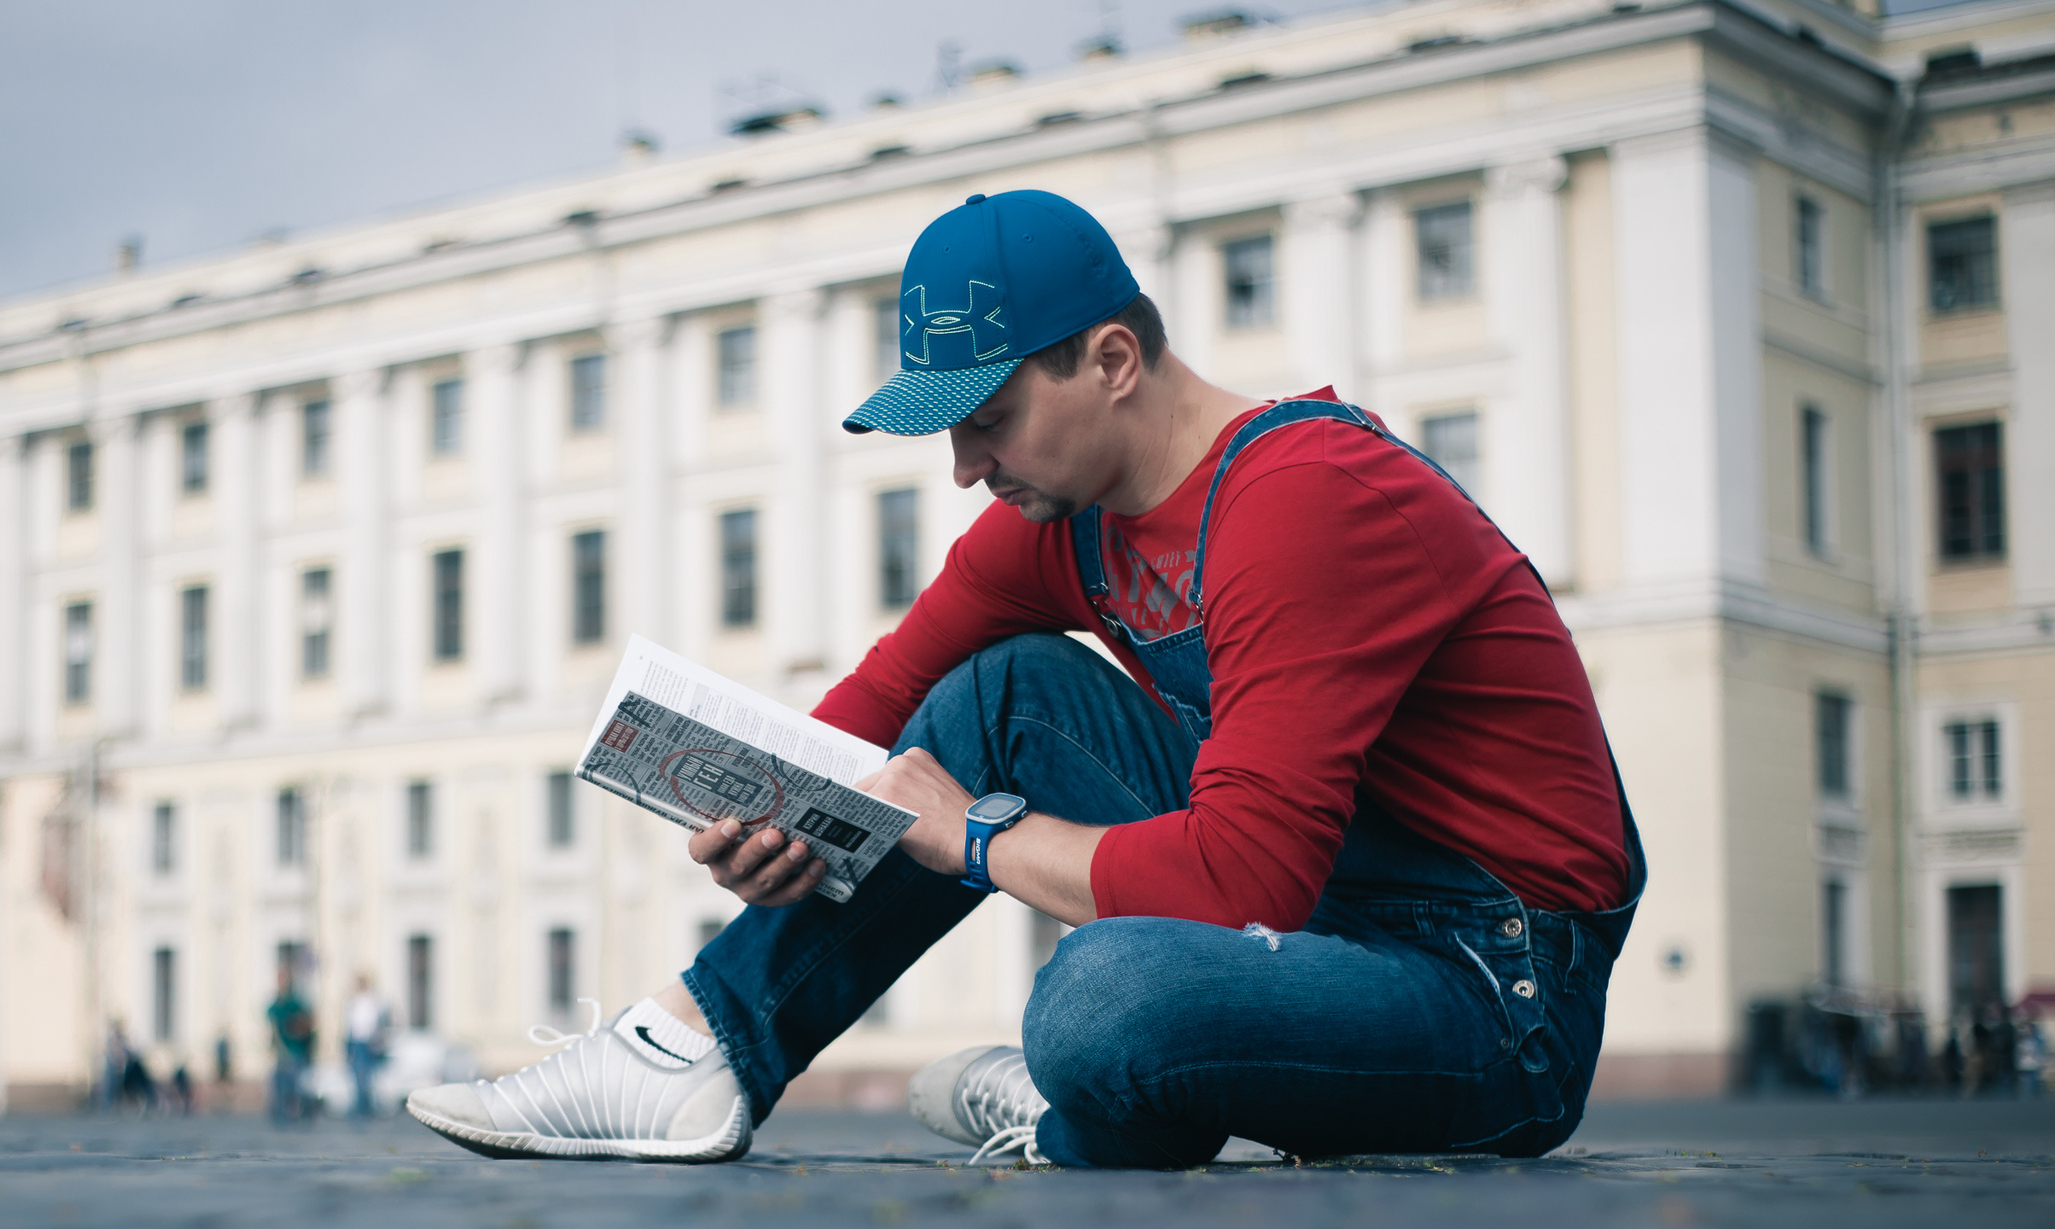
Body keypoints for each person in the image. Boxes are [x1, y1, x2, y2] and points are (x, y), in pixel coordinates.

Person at [411, 189, 1640, 1169]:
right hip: (1321, 909)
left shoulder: (1306, 498)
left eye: (986, 418)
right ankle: (694, 1049)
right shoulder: (1065, 512)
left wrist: (977, 837)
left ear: (1112, 359)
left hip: (1494, 984)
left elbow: (1243, 874)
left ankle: (1095, 1104)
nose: (961, 468)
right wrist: (773, 814)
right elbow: (884, 701)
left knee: (1100, 1005)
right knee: (1004, 693)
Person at [266, 965, 315, 1125]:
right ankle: (281, 1116)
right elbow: (272, 1028)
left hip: (296, 1050)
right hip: (282, 1051)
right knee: (279, 1085)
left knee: (297, 1085)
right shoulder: (274, 1005)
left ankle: (299, 1113)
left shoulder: (296, 1002)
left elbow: (306, 1023)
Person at [343, 972, 389, 1121]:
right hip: (355, 1041)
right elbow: (350, 1023)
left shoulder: (370, 1001)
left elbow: (372, 1023)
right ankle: (360, 1107)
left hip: (365, 1042)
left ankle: (365, 1108)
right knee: (356, 1075)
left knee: (365, 1077)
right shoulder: (353, 1001)